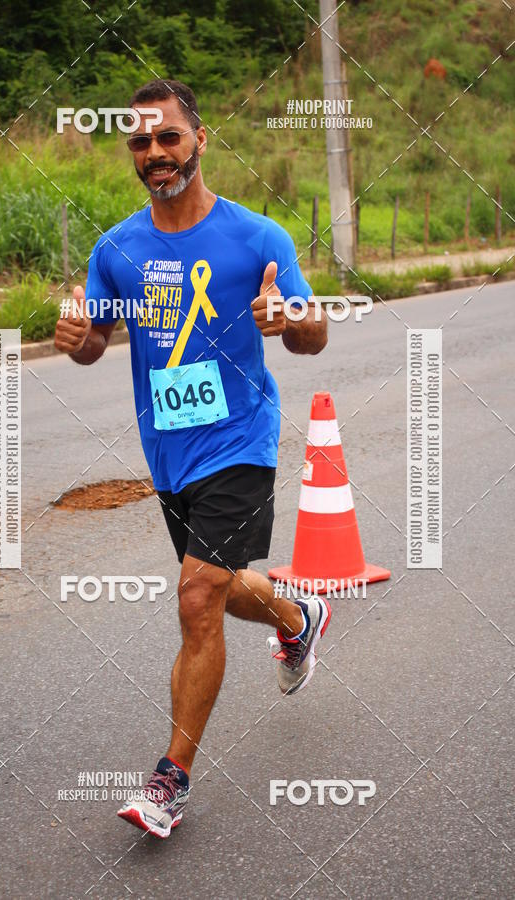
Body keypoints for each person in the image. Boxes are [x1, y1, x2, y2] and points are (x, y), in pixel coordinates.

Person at [54, 79, 330, 839]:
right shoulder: (117, 249)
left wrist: (291, 318)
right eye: (140, 141)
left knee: (196, 595)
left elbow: (314, 334)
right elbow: (95, 341)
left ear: (199, 140)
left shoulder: (259, 238)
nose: (154, 153)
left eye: (168, 137)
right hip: (169, 451)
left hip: (241, 438)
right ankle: (298, 614)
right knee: (223, 586)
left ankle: (169, 781)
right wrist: (78, 339)